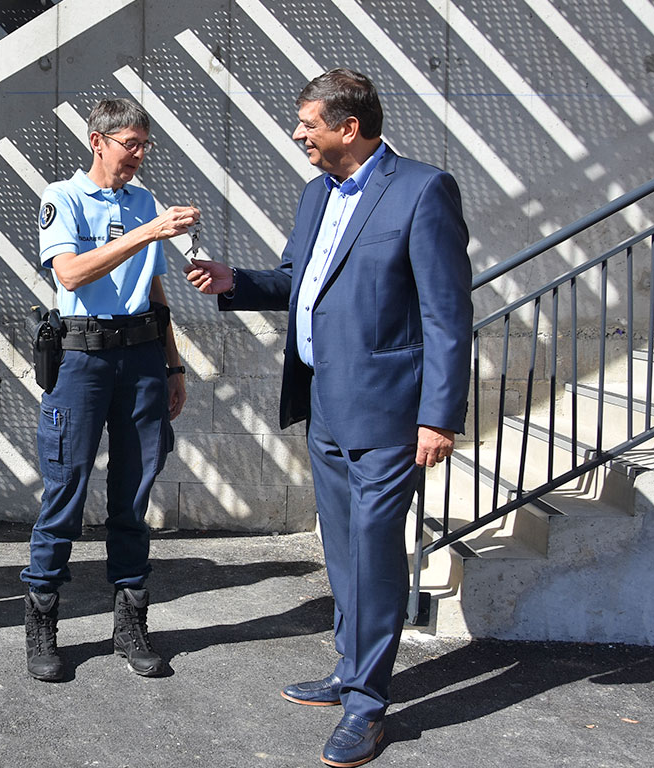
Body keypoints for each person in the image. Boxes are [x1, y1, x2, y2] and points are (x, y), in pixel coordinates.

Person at [184, 68, 472, 767]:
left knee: (375, 557)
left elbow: (447, 313)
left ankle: (368, 709)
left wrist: (439, 416)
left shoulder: (421, 190)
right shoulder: (318, 194)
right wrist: (235, 282)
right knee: (342, 551)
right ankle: (348, 670)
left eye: (307, 122)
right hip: (324, 406)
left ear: (349, 126)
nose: (297, 134)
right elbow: (300, 280)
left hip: (389, 414)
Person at [22, 98, 197, 682]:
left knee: (134, 491)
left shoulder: (143, 201)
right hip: (83, 358)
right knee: (65, 487)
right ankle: (43, 623)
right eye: (131, 145)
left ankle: (130, 623)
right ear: (97, 141)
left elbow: (155, 293)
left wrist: (172, 366)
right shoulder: (62, 196)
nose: (140, 156)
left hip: (142, 356)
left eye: (145, 145)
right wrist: (149, 230)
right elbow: (68, 273)